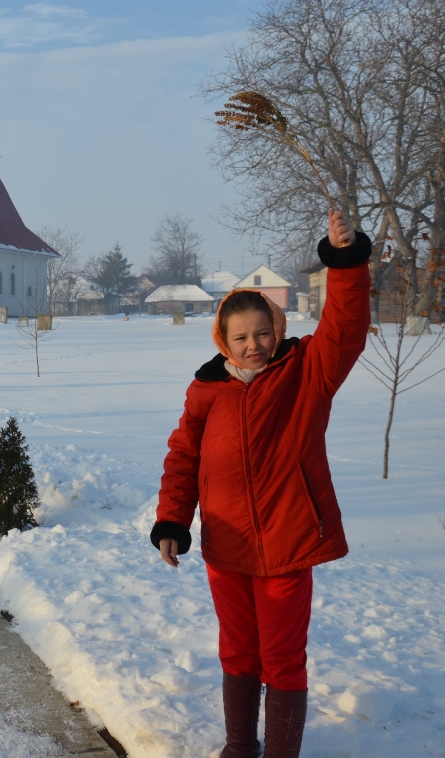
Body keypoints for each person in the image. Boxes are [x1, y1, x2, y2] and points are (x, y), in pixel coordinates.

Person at [151, 212, 370, 758]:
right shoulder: (206, 391)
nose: (254, 345)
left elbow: (344, 330)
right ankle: (238, 745)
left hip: (287, 542)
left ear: (278, 330)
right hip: (226, 545)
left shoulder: (306, 373)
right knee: (238, 652)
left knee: (282, 657)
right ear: (222, 339)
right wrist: (173, 519)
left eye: (263, 333)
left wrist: (343, 263)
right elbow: (183, 458)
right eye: (241, 336)